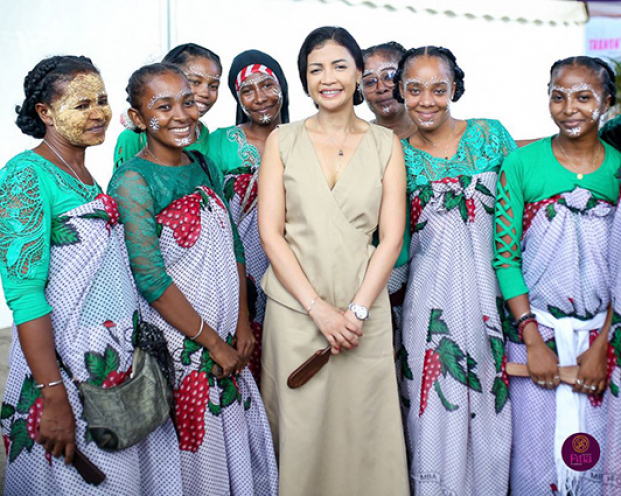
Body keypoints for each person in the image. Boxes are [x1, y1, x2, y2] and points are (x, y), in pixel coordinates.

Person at [0, 56, 183, 495]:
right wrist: (53, 395)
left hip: (110, 368)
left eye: (102, 101)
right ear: (45, 113)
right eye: (81, 104)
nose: (98, 113)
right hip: (64, 375)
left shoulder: (83, 175)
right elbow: (24, 294)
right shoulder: (26, 176)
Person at [108, 62, 278, 496]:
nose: (181, 115)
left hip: (226, 339)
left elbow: (234, 248)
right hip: (185, 348)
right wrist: (213, 343)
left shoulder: (202, 164)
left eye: (187, 102)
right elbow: (149, 277)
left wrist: (241, 322)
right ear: (138, 118)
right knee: (196, 461)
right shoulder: (132, 180)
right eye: (163, 107)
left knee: (233, 451)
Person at [259, 26, 409, 496]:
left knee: (367, 431)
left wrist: (358, 310)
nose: (328, 78)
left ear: (359, 74)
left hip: (364, 313)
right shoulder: (281, 141)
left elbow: (391, 237)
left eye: (340, 66)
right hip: (296, 311)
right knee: (303, 433)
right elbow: (271, 233)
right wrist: (318, 309)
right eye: (315, 69)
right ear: (304, 81)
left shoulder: (387, 144)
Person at [494, 56, 621, 496]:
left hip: (604, 343)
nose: (570, 108)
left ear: (607, 102)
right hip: (538, 339)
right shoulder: (522, 164)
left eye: (584, 97)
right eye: (558, 95)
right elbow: (505, 259)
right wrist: (533, 343)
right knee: (535, 468)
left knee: (603, 469)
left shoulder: (619, 169)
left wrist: (603, 347)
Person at [394, 46, 515, 495]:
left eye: (439, 89)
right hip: (429, 308)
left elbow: (515, 221)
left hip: (493, 301)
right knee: (432, 413)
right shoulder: (396, 156)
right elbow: (395, 242)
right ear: (401, 92)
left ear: (455, 89)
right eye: (415, 89)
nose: (427, 100)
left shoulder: (490, 135)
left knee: (492, 411)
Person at [208, 49, 289, 384]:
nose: (260, 98)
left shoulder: (304, 137)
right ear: (238, 99)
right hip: (238, 272)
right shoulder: (218, 143)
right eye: (247, 91)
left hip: (294, 269)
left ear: (283, 87)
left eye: (268, 85)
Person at [362, 41, 413, 345]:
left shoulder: (436, 136)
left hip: (436, 270)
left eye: (390, 76)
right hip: (379, 278)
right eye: (369, 81)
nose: (381, 88)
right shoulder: (356, 140)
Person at [113, 43, 222, 169]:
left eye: (213, 86)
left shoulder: (204, 136)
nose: (205, 93)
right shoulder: (134, 138)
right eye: (195, 82)